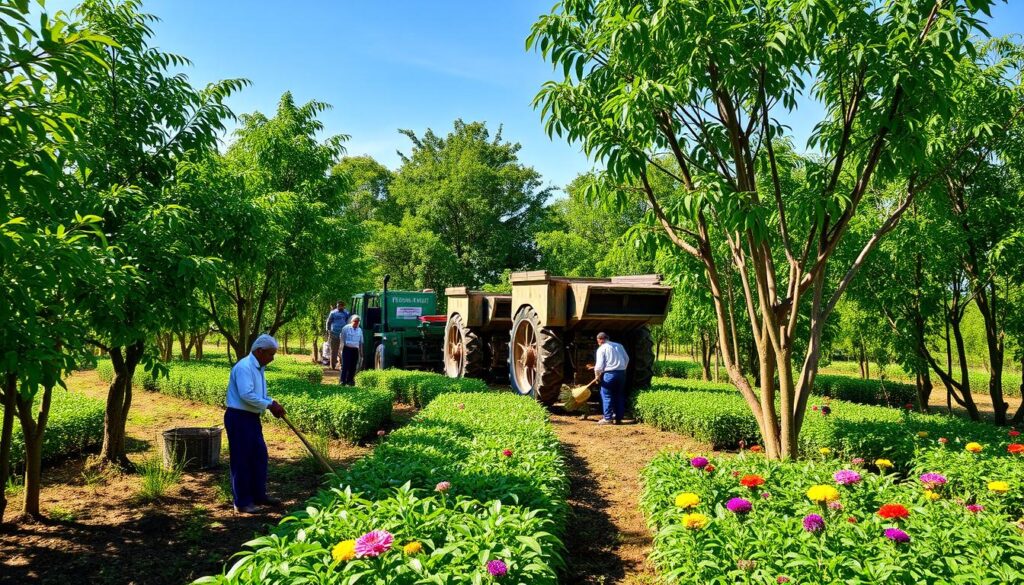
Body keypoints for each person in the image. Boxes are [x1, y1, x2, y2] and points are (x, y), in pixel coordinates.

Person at [224, 334, 286, 514]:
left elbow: (259, 394)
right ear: (260, 351)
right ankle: (242, 502)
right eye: (271, 354)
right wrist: (269, 405)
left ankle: (258, 495)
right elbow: (246, 395)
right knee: (242, 459)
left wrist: (272, 402)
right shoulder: (244, 367)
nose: (272, 359)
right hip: (238, 418)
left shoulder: (259, 367)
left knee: (259, 456)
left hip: (251, 418)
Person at [593, 331, 629, 425]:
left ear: (600, 340)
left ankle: (608, 418)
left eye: (598, 341)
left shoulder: (602, 348)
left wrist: (597, 376)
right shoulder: (619, 345)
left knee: (606, 395)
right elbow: (626, 359)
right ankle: (619, 418)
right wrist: (622, 368)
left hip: (609, 374)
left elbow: (599, 366)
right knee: (619, 395)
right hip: (621, 374)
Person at [339, 315, 363, 386]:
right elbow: (342, 340)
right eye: (355, 322)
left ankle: (350, 381)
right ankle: (342, 381)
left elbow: (361, 342)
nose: (356, 323)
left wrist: (361, 353)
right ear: (351, 321)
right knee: (345, 365)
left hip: (355, 350)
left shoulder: (360, 330)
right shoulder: (345, 328)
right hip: (346, 349)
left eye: (358, 322)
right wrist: (340, 351)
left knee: (353, 366)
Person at [325, 301, 350, 369]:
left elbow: (349, 321)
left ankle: (342, 365)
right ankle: (333, 365)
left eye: (341, 306)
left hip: (343, 334)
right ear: (337, 305)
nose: (339, 307)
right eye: (338, 305)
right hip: (334, 334)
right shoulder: (333, 313)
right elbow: (328, 322)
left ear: (343, 306)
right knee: (334, 350)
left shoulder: (346, 313)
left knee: (343, 350)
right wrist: (328, 330)